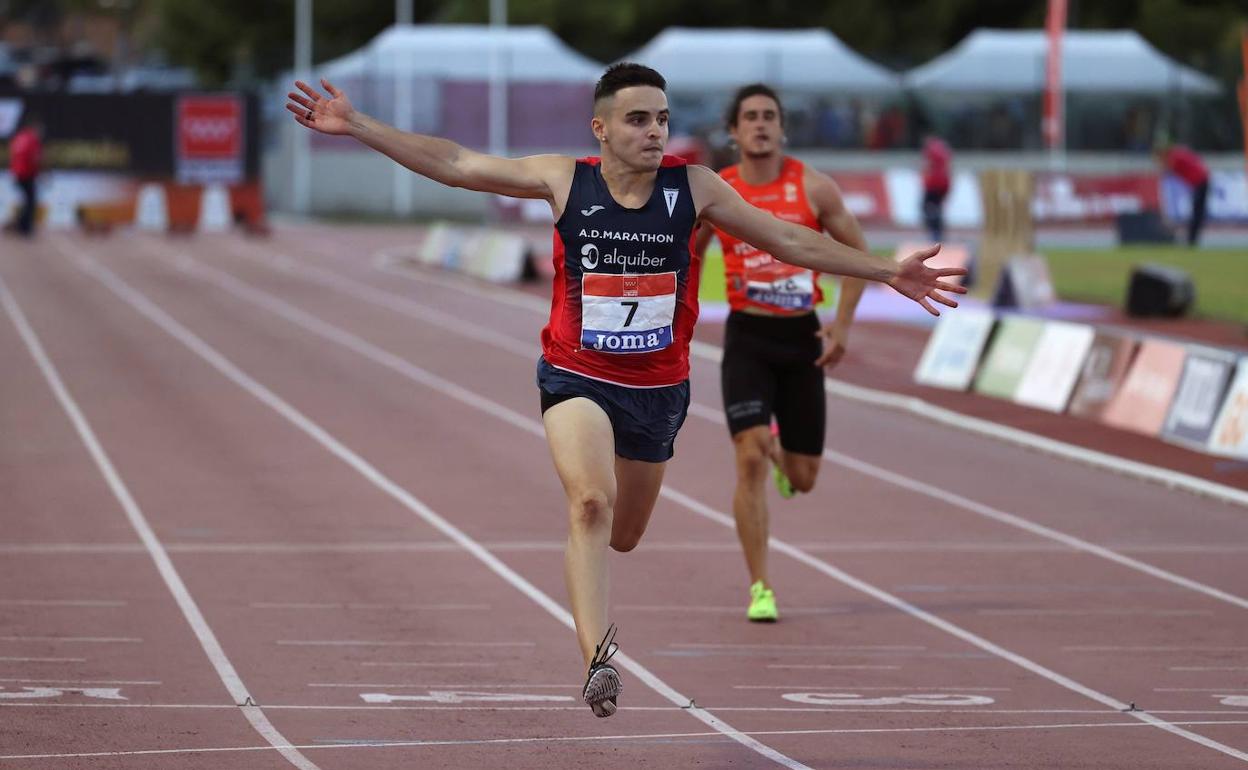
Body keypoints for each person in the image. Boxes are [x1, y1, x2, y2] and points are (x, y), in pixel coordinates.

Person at [286, 63, 965, 719]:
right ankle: (596, 659)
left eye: (663, 119)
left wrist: (884, 270)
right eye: (638, 119)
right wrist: (358, 126)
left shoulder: (693, 188)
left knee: (627, 535)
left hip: (658, 391)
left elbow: (790, 240)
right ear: (601, 130)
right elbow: (458, 163)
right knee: (589, 502)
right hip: (575, 376)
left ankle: (605, 587)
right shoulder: (562, 180)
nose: (655, 132)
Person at [693, 84, 865, 623]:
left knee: (805, 476)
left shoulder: (814, 189)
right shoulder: (719, 191)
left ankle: (783, 457)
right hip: (747, 338)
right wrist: (677, 313)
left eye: (770, 116)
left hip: (800, 341)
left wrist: (841, 325)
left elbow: (858, 254)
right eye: (750, 117)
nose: (761, 125)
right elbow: (686, 253)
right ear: (734, 131)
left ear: (782, 128)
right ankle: (760, 586)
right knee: (746, 459)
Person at [1157, 143, 1209, 246]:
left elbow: (1168, 169)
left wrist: (1161, 171)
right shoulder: (1179, 152)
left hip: (1200, 182)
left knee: (1196, 212)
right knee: (1197, 212)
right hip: (1200, 181)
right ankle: (1191, 239)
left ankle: (1191, 239)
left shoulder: (1175, 156)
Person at [8, 116, 43, 237]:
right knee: (31, 201)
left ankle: (21, 224)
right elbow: (34, 158)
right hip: (27, 174)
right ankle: (25, 227)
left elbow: (14, 154)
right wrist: (41, 172)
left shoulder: (20, 137)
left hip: (17, 173)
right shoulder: (32, 139)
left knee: (27, 200)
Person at [921, 136, 951, 242]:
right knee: (937, 207)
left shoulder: (930, 150)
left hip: (933, 183)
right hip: (944, 183)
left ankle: (934, 232)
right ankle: (939, 232)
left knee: (927, 207)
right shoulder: (944, 149)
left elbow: (927, 165)